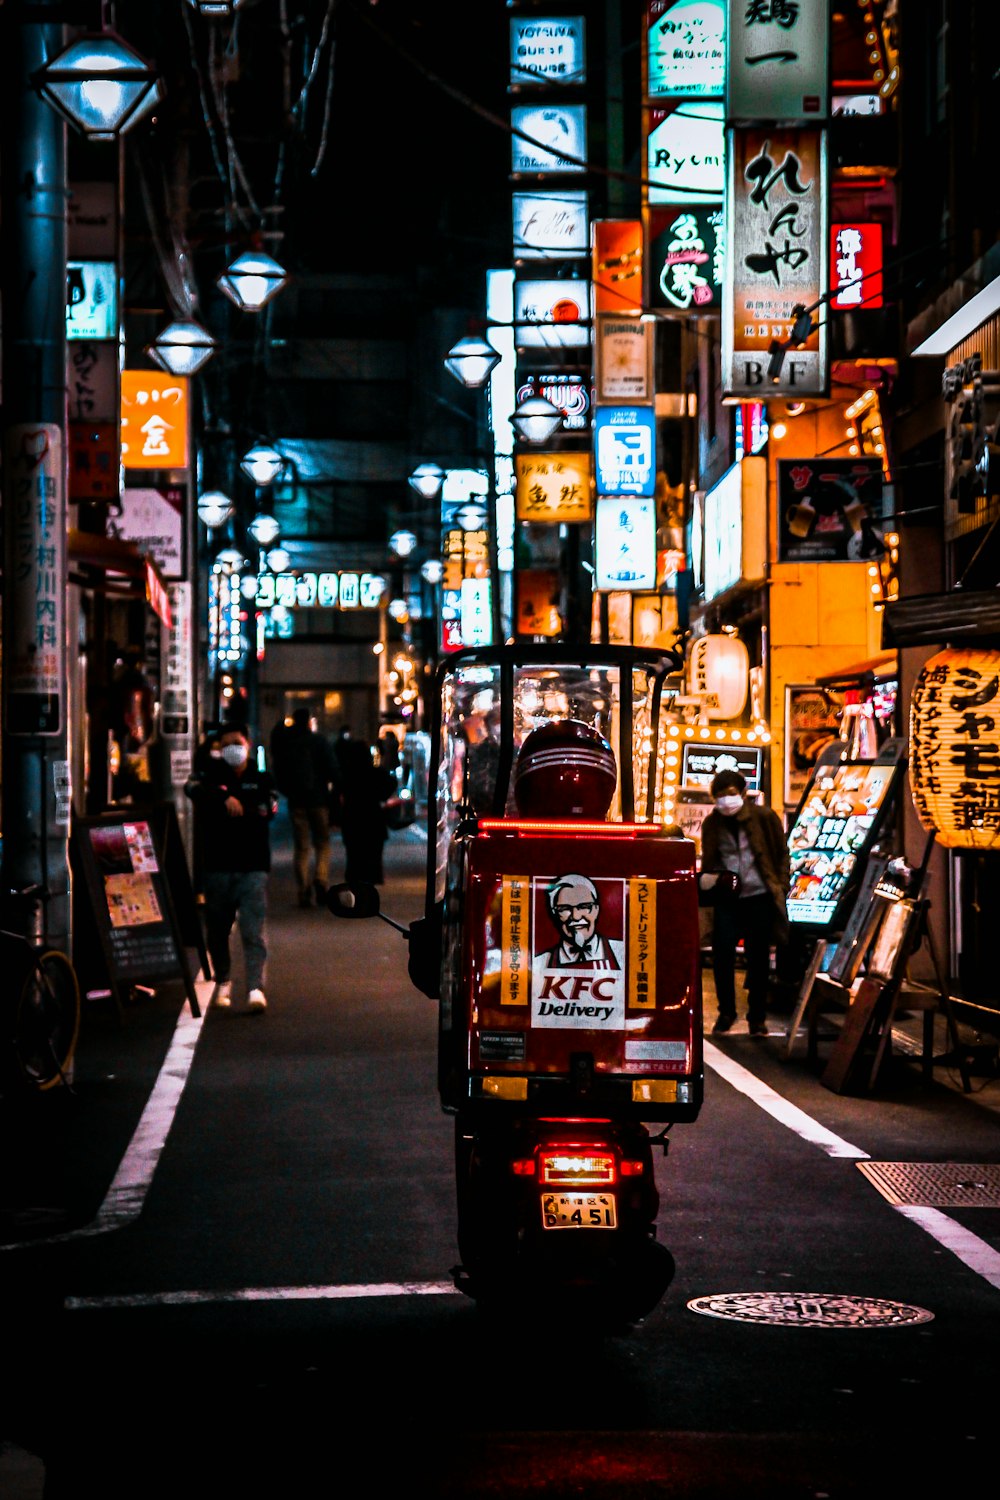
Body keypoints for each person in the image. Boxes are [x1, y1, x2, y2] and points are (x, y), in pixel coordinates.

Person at [184, 723, 278, 1012]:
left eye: (236, 742)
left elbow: (269, 808)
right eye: (224, 745)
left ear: (248, 744)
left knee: (253, 930)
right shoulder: (209, 777)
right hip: (217, 866)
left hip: (253, 865)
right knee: (217, 929)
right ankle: (223, 978)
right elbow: (191, 788)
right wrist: (223, 798)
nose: (231, 750)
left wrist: (244, 807)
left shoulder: (261, 777)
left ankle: (255, 988)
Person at [700, 770, 790, 1037]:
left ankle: (757, 1016)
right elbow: (710, 860)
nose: (725, 801)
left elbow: (782, 853)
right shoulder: (712, 824)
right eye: (719, 796)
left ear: (742, 792)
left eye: (730, 794)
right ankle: (726, 1012)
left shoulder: (764, 818)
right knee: (722, 954)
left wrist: (781, 886)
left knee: (759, 956)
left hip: (760, 895)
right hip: (728, 897)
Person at [271, 707, 340, 908]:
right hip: (319, 800)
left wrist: (288, 792)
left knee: (301, 847)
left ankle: (303, 890)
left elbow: (279, 771)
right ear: (309, 722)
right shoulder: (320, 741)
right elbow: (333, 769)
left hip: (297, 802)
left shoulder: (288, 743)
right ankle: (320, 878)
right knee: (323, 842)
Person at [337, 738, 399, 884]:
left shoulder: (347, 775)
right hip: (373, 821)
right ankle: (368, 896)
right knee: (372, 862)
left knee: (354, 861)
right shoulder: (374, 773)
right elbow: (390, 784)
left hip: (352, 821)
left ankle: (355, 894)